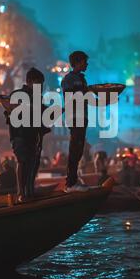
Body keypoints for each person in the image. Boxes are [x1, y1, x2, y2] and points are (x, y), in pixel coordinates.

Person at [5, 67, 50, 202]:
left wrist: (40, 139)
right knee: (22, 162)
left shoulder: (38, 99)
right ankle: (21, 193)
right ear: (29, 81)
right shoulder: (17, 95)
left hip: (34, 137)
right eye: (38, 83)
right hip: (20, 135)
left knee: (33, 164)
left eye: (41, 84)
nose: (40, 87)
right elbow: (10, 114)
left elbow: (42, 120)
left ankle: (29, 192)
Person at [61, 51, 90, 192]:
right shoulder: (69, 79)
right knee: (74, 149)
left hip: (83, 116)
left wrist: (106, 101)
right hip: (74, 117)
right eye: (85, 62)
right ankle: (70, 183)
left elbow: (87, 98)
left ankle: (74, 181)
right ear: (78, 62)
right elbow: (69, 98)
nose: (87, 64)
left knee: (79, 150)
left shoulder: (83, 79)